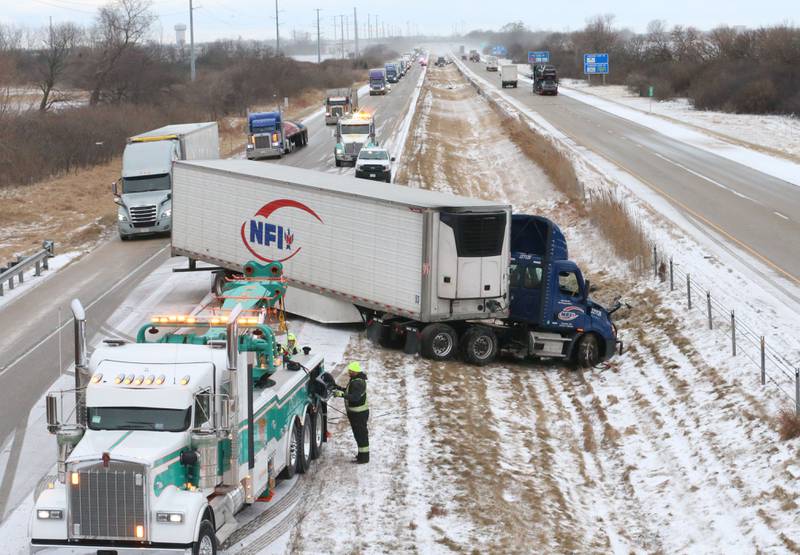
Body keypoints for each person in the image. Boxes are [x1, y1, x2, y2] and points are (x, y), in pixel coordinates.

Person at [334, 361, 369, 463]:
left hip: (359, 414)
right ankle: (362, 456)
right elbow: (351, 392)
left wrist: (341, 395)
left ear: (355, 371)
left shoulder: (357, 382)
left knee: (361, 435)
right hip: (356, 413)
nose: (348, 372)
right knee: (359, 435)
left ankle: (363, 458)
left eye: (350, 370)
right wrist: (339, 388)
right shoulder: (356, 380)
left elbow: (355, 397)